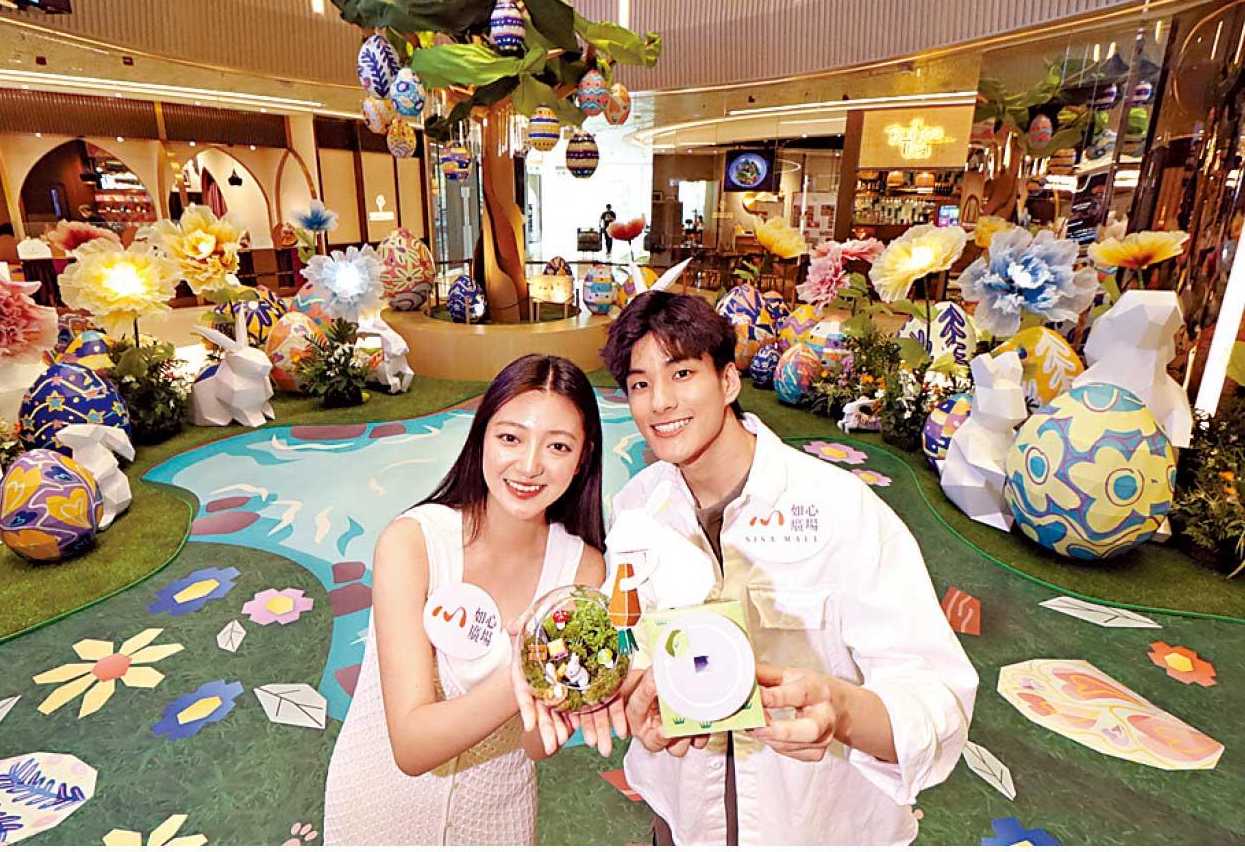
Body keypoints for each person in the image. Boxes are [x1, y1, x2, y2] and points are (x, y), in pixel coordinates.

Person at [598, 291, 978, 845]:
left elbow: (937, 694)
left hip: (815, 828)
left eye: (681, 373)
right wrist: (639, 698)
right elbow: (630, 641)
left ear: (728, 380)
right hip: (681, 823)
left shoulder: (840, 508)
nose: (660, 401)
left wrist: (840, 711)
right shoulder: (636, 507)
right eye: (639, 384)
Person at [324, 354, 616, 845]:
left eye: (558, 446)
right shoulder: (413, 543)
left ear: (583, 457)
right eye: (510, 437)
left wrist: (574, 696)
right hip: (378, 807)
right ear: (481, 435)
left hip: (498, 816)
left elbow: (536, 743)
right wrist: (529, 672)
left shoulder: (583, 569)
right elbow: (412, 747)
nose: (529, 465)